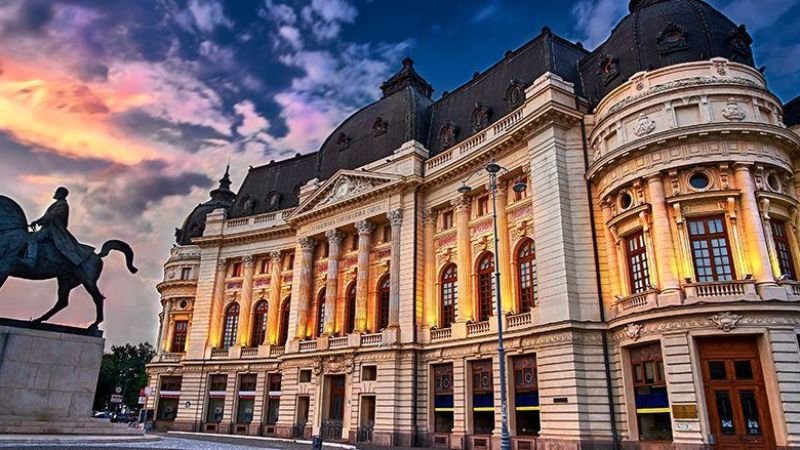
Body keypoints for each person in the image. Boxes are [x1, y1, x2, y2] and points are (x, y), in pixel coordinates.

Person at [21, 187, 93, 268]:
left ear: (62, 194)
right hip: (48, 228)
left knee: (32, 239)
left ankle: (31, 260)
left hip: (53, 231)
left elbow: (51, 215)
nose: (55, 193)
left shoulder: (62, 205)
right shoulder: (58, 204)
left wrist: (38, 221)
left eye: (57, 192)